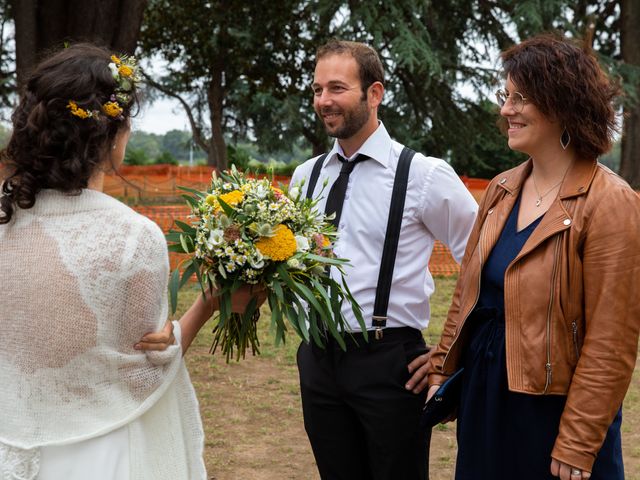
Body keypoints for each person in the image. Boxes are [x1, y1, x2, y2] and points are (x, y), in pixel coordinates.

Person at [0, 43, 254, 480]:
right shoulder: (133, 237)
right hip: (97, 452)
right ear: (111, 135)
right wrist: (206, 306)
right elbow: (146, 367)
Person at [426, 33, 640, 480]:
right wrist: (441, 370)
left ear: (561, 102)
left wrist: (579, 440)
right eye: (505, 96)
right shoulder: (501, 189)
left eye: (520, 98)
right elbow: (468, 294)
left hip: (552, 410)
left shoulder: (609, 202)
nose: (506, 110)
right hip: (485, 396)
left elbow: (611, 340)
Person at [290, 39, 478, 480]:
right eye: (317, 90)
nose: (323, 101)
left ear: (374, 93)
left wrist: (452, 353)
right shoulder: (306, 176)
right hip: (317, 359)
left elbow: (483, 258)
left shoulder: (424, 175)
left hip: (391, 363)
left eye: (336, 88)